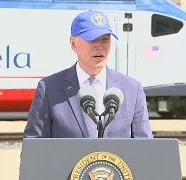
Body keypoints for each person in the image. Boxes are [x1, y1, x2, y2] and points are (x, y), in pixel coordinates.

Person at [23, 10, 153, 138]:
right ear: (73, 44)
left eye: (105, 40)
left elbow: (146, 149)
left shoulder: (132, 89)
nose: (100, 46)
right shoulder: (49, 89)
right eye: (93, 40)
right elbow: (34, 147)